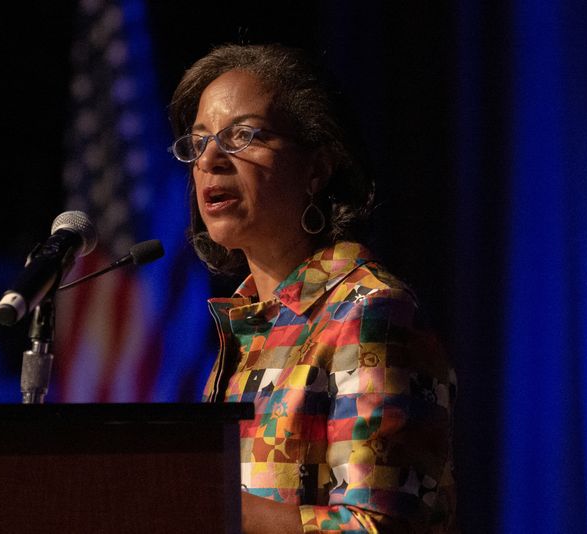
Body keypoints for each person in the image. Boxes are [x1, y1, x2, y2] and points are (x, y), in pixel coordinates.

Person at [168, 44, 456, 533]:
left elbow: (378, 526)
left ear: (317, 168)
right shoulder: (248, 326)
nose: (211, 159)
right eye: (197, 143)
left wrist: (205, 501)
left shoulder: (368, 312)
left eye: (243, 135)